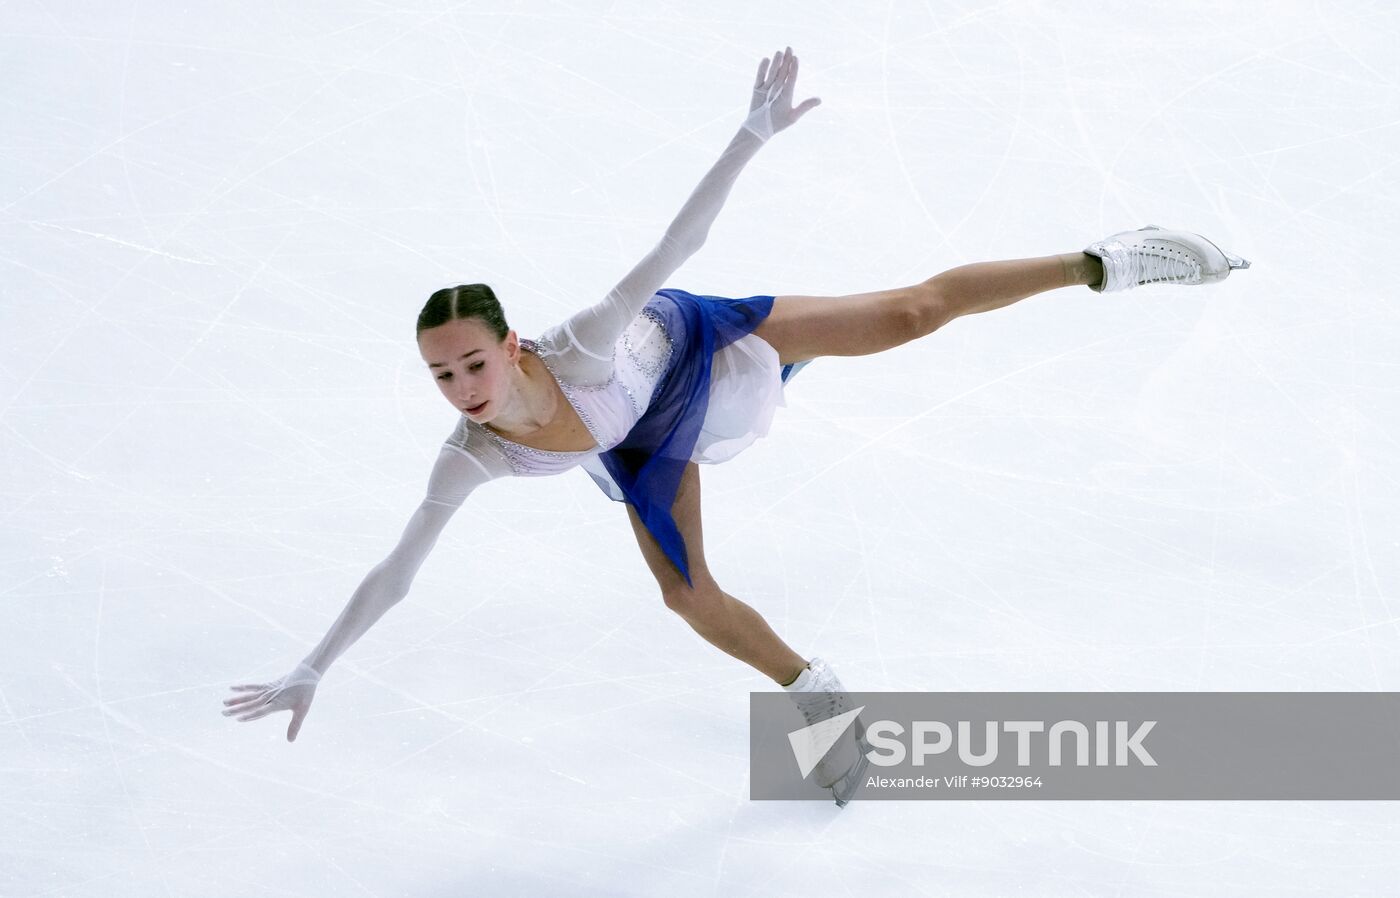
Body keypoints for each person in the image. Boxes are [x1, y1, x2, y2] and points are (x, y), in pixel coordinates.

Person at [222, 47, 1249, 803]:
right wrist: (314, 662)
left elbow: (678, 239)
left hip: (698, 350)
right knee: (685, 596)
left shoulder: (579, 342)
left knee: (907, 312)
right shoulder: (473, 453)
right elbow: (397, 569)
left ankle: (1105, 260)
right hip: (639, 442)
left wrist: (747, 135)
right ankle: (815, 689)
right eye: (441, 374)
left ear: (512, 347)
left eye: (472, 363)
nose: (460, 386)